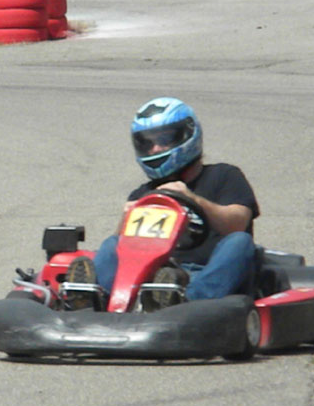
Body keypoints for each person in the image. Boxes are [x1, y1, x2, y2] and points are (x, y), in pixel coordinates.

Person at [66, 97, 259, 310]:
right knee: (112, 243)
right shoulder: (143, 194)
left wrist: (194, 200)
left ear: (186, 135)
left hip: (203, 274)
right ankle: (93, 299)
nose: (155, 149)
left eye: (164, 139)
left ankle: (190, 303)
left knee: (240, 242)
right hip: (150, 277)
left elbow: (238, 223)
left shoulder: (224, 175)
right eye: (147, 143)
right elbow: (124, 249)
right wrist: (126, 220)